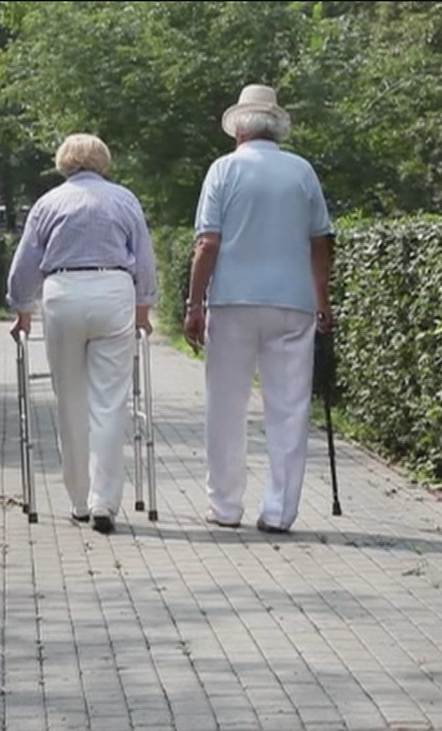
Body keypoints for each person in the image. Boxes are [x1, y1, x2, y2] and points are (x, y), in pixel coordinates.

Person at [183, 84, 334, 535]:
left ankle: (226, 506)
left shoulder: (223, 170)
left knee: (225, 405)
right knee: (288, 407)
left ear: (238, 131)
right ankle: (279, 512)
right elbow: (320, 243)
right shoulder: (302, 171)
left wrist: (195, 304)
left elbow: (207, 242)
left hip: (233, 302)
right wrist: (322, 302)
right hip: (293, 303)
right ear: (276, 128)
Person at [6, 134, 157, 535]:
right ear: (103, 161)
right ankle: (103, 501)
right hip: (114, 292)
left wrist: (22, 309)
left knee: (70, 399)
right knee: (109, 402)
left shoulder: (48, 203)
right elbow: (144, 257)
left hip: (64, 292)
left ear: (64, 162)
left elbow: (26, 265)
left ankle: (78, 500)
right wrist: (144, 307)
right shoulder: (124, 199)